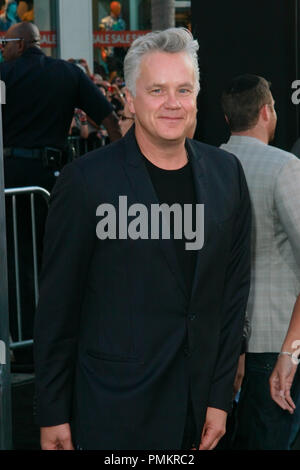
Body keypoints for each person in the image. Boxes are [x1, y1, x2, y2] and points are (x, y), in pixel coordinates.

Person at [34, 27, 251, 451]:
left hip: (199, 413)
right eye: (157, 89)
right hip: (114, 410)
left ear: (196, 98)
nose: (172, 102)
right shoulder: (86, 182)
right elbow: (58, 307)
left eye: (183, 89)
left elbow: (231, 297)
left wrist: (219, 398)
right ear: (130, 100)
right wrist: (52, 411)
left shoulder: (227, 175)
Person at [1, 21, 121, 366]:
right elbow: (109, 119)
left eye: (5, 42)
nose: (3, 48)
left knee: (21, 261)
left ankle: (27, 348)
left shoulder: (5, 74)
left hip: (14, 181)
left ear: (21, 44)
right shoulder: (68, 73)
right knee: (60, 258)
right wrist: (124, 168)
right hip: (58, 180)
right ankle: (64, 340)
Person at [221, 74, 300, 450]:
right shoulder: (284, 167)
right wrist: (293, 350)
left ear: (227, 119)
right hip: (280, 341)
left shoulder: (205, 164)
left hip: (223, 341)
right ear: (267, 111)